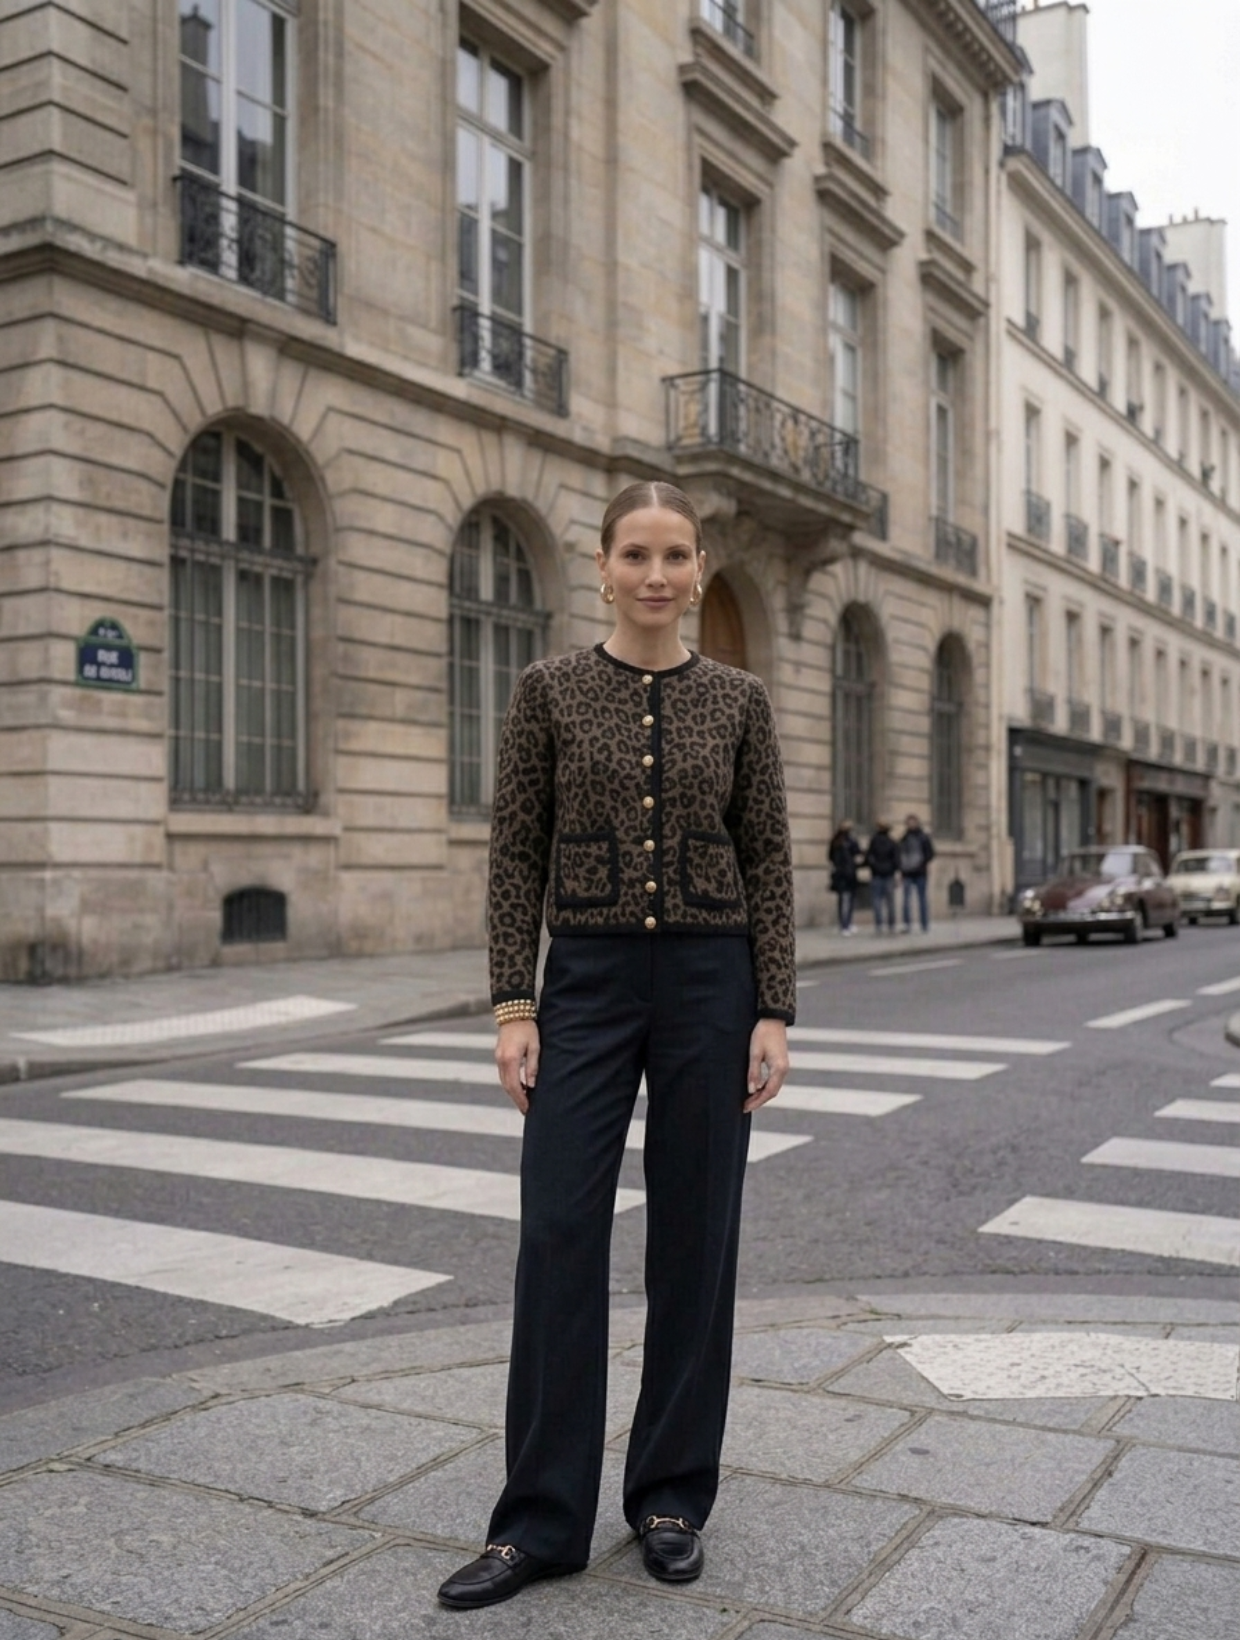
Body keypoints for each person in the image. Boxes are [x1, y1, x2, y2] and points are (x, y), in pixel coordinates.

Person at [437, 480, 795, 1610]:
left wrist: (773, 1008)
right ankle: (539, 1521)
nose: (655, 573)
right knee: (557, 1232)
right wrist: (514, 1005)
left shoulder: (739, 701)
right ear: (601, 568)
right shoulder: (547, 690)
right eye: (635, 553)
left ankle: (670, 1497)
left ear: (698, 572)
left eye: (675, 554)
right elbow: (515, 850)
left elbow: (769, 856)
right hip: (585, 984)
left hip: (711, 985)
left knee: (696, 1237)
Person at [898, 812, 936, 932]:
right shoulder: (904, 838)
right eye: (909, 823)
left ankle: (924, 924)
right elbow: (900, 855)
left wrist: (922, 862)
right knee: (906, 899)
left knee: (922, 899)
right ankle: (907, 924)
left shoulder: (924, 837)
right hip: (907, 873)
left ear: (917, 823)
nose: (910, 824)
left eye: (912, 822)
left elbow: (931, 853)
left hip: (920, 872)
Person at [864, 819, 899, 932]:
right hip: (889, 874)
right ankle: (891, 924)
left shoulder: (873, 842)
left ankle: (879, 924)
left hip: (876, 874)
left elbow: (868, 857)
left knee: (877, 900)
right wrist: (893, 869)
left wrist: (873, 866)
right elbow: (897, 860)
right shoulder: (892, 842)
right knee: (890, 901)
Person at [828, 821, 861, 935]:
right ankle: (845, 924)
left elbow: (830, 856)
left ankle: (846, 924)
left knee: (845, 900)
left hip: (843, 874)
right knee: (846, 900)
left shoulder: (838, 841)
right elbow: (857, 853)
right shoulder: (846, 841)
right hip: (846, 874)